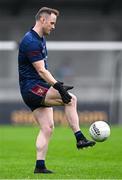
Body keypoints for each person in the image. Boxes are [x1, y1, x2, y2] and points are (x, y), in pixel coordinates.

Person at [18, 7, 96, 174]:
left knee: (47, 128)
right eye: (52, 23)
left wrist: (55, 85)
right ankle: (79, 137)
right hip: (32, 88)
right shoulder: (30, 41)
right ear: (42, 20)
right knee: (71, 99)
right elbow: (41, 70)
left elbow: (42, 70)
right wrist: (58, 87)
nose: (54, 26)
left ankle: (40, 166)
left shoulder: (39, 38)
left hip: (36, 88)